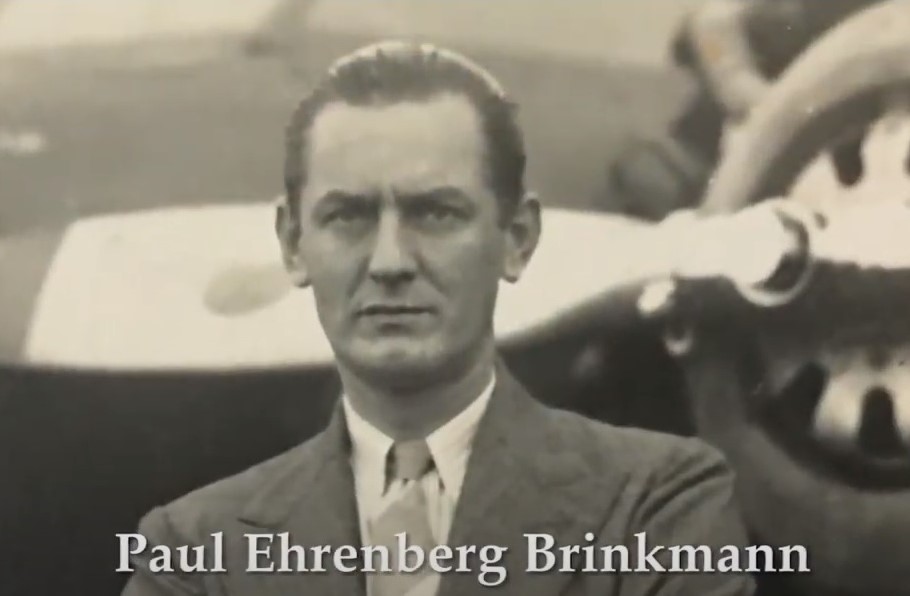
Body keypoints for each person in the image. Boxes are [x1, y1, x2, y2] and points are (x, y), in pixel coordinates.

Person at [121, 41, 755, 596]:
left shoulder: (659, 506)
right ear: (292, 245)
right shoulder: (192, 549)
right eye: (347, 217)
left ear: (517, 238)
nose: (390, 262)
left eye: (436, 214)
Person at [609, 0, 880, 221]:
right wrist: (742, 85)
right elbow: (709, 25)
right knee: (648, 174)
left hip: (835, 173)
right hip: (714, 157)